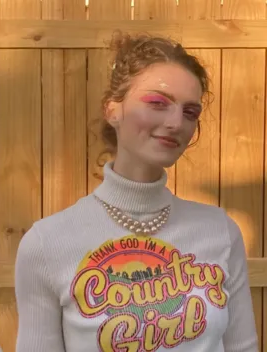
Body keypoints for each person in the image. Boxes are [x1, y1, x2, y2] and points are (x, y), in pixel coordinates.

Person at [15, 32, 258, 352]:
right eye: (158, 103)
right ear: (112, 110)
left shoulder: (220, 231)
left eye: (190, 112)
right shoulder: (47, 243)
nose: (175, 123)